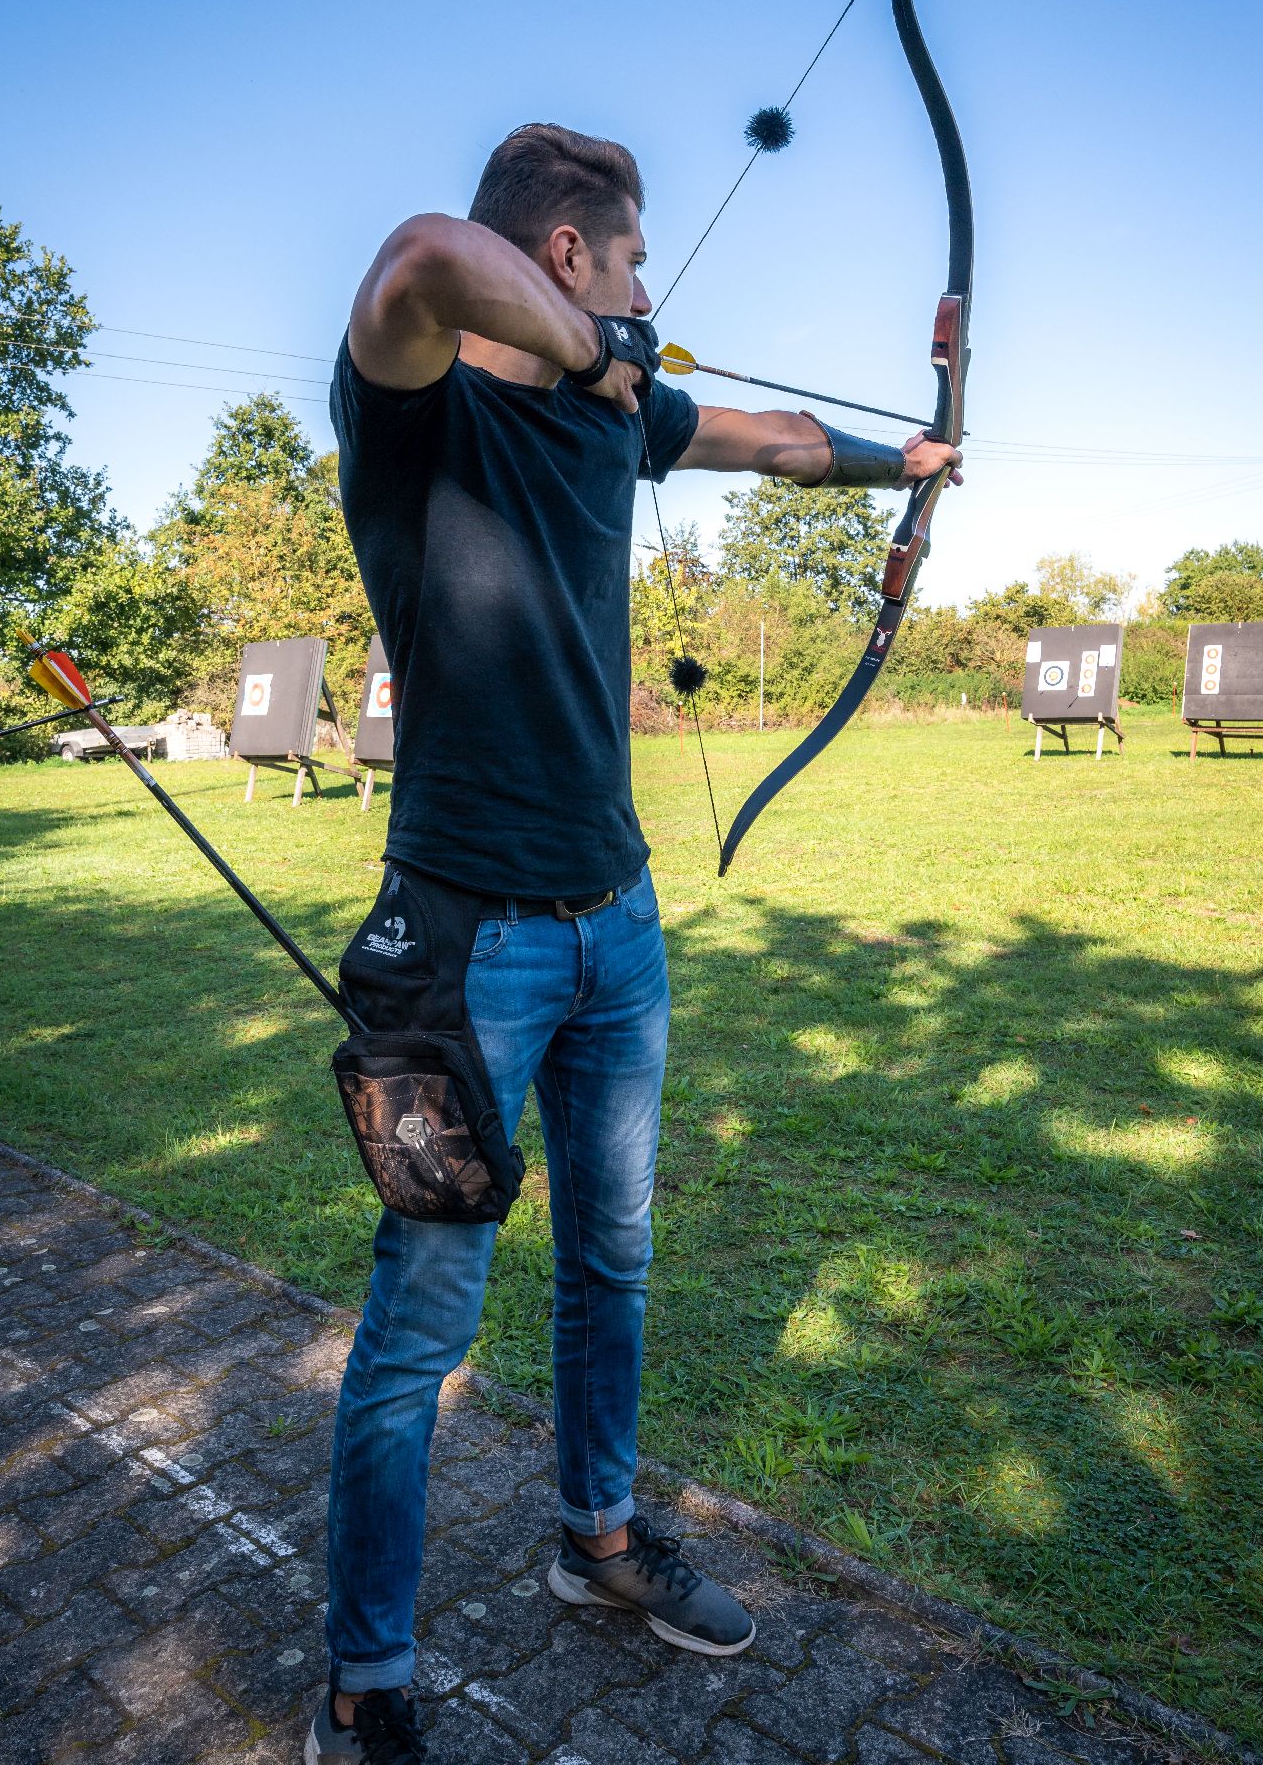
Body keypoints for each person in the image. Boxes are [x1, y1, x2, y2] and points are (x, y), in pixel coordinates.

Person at [306, 123, 962, 1764]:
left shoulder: (621, 420)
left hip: (621, 927)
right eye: (632, 264)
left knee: (615, 1261)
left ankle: (596, 1540)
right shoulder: (416, 413)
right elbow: (423, 257)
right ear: (568, 256)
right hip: (469, 944)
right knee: (421, 1326)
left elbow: (776, 442)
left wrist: (907, 461)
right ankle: (365, 1681)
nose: (650, 295)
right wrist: (594, 350)